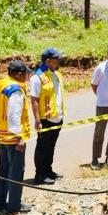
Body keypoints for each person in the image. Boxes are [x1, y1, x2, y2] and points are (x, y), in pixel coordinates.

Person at [0, 59, 32, 215]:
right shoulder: (15, 90)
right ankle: (14, 205)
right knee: (16, 172)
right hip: (14, 138)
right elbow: (14, 115)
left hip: (3, 136)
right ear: (19, 74)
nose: (27, 77)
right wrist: (21, 137)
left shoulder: (3, 85)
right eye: (26, 74)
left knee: (3, 170)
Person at [29, 47, 66, 184]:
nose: (59, 61)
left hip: (57, 117)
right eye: (57, 59)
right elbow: (34, 100)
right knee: (42, 147)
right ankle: (39, 175)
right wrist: (38, 120)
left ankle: (48, 170)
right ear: (49, 61)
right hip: (45, 119)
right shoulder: (37, 77)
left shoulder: (56, 74)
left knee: (51, 146)